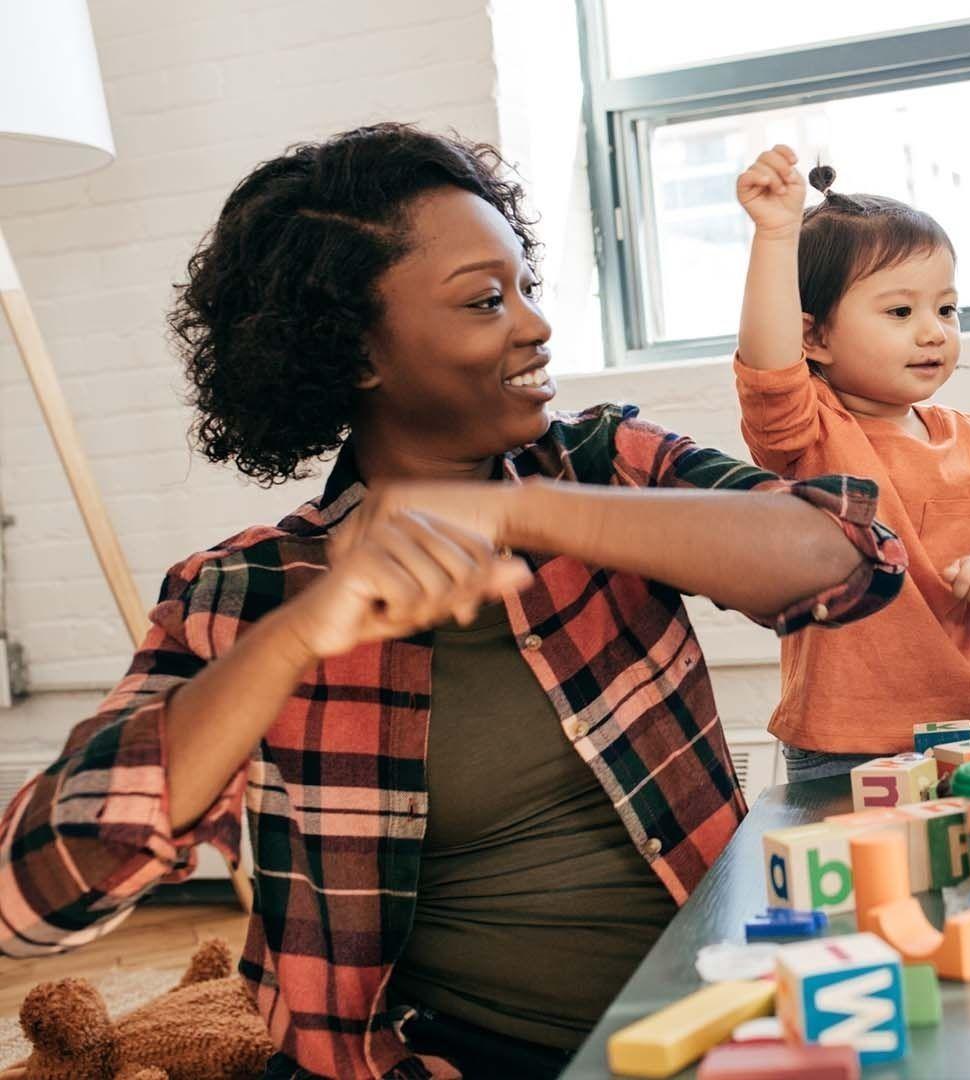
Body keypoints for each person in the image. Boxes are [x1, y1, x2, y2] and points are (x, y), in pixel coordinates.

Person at [0, 124, 905, 1079]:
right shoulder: (243, 593)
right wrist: (294, 638)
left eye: (524, 287)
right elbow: (31, 899)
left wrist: (523, 511)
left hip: (721, 1020)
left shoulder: (599, 471)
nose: (535, 323)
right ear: (356, 354)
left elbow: (845, 554)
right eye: (484, 300)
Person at [732, 146, 970, 781]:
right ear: (814, 338)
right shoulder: (808, 433)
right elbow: (768, 365)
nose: (933, 331)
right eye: (900, 312)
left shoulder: (967, 437)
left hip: (966, 729)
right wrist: (775, 234)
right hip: (843, 744)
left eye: (946, 309)